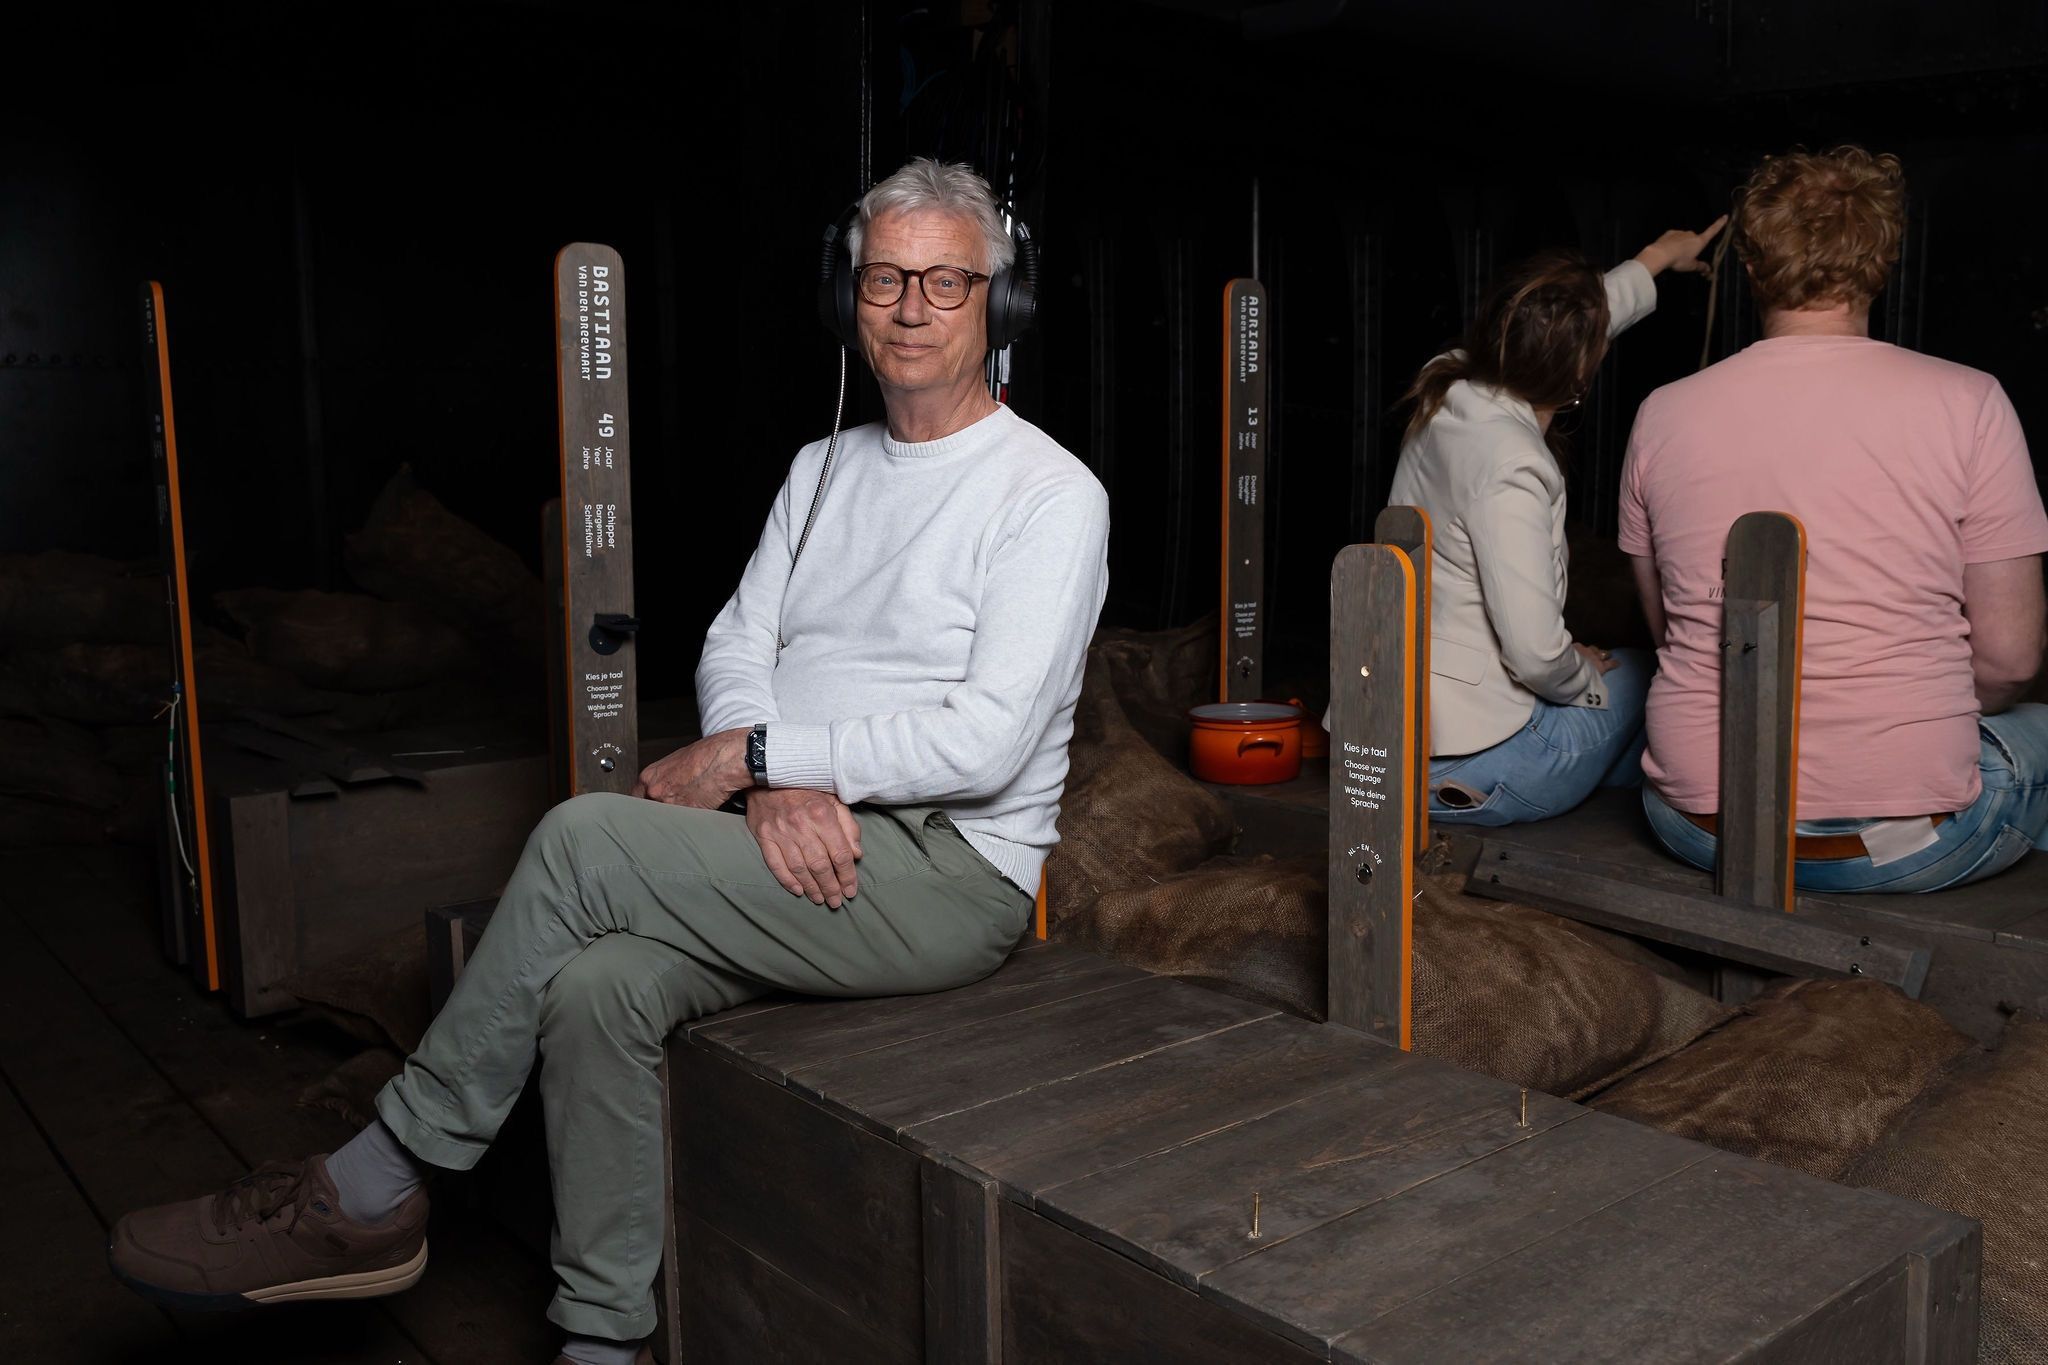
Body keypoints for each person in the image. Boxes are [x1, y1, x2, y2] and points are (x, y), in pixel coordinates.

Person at [106, 158, 1111, 1365]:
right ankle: (601, 1344)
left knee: (583, 837)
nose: (910, 307)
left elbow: (985, 738)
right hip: (803, 822)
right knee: (597, 992)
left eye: (945, 281)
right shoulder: (820, 469)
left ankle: (372, 1187)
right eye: (884, 277)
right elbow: (738, 640)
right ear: (846, 295)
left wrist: (755, 752)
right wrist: (773, 772)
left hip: (947, 873)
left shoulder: (1049, 495)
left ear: (996, 306)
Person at [1621, 145, 2048, 892]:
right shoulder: (1972, 402)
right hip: (1904, 842)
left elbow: (1672, 632)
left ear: (1751, 268)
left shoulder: (1661, 414)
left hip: (1700, 826)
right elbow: (2011, 659)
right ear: (1879, 264)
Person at [1390, 221, 1723, 827]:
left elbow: (1545, 330)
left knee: (1613, 709)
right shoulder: (1514, 466)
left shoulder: (1447, 383)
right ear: (1579, 373)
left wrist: (1653, 261)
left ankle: (1600, 792)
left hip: (1392, 743)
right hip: (1473, 768)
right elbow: (1535, 655)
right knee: (1649, 668)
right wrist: (1577, 668)